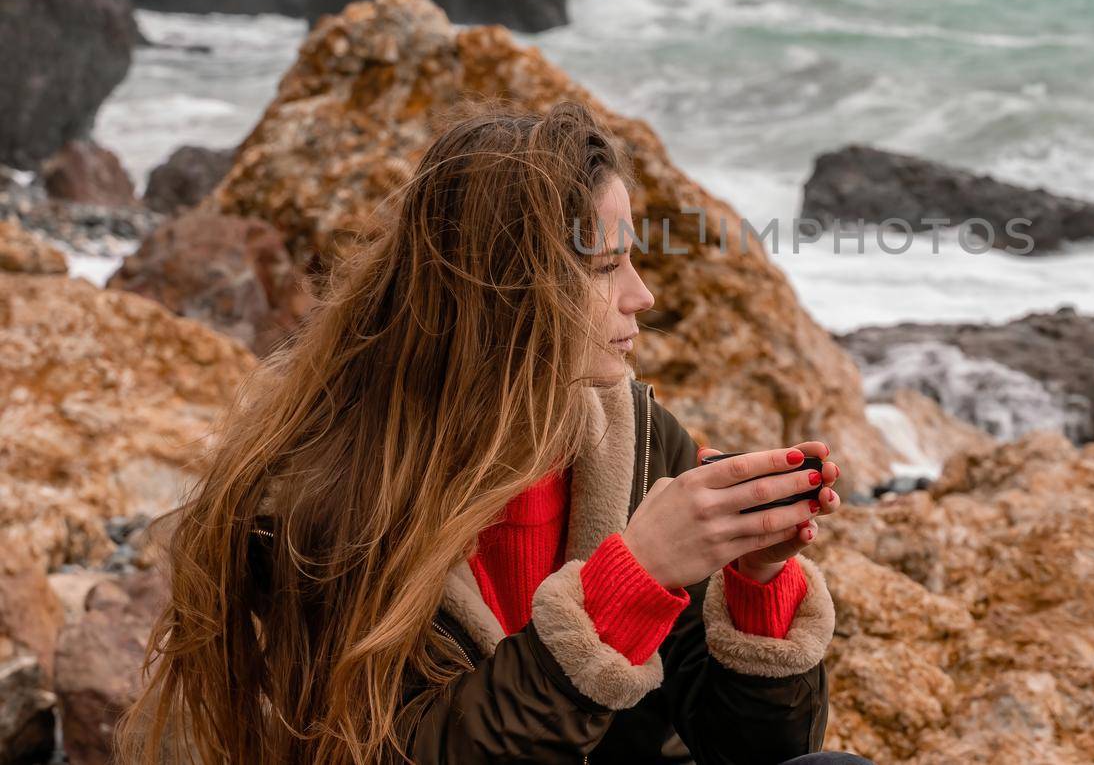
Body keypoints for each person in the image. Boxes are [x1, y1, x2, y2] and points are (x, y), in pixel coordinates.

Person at [117, 102, 873, 765]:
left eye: (631, 257)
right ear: (508, 290)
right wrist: (630, 582)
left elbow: (757, 754)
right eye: (606, 266)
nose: (640, 295)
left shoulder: (634, 439)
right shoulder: (322, 500)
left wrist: (756, 586)